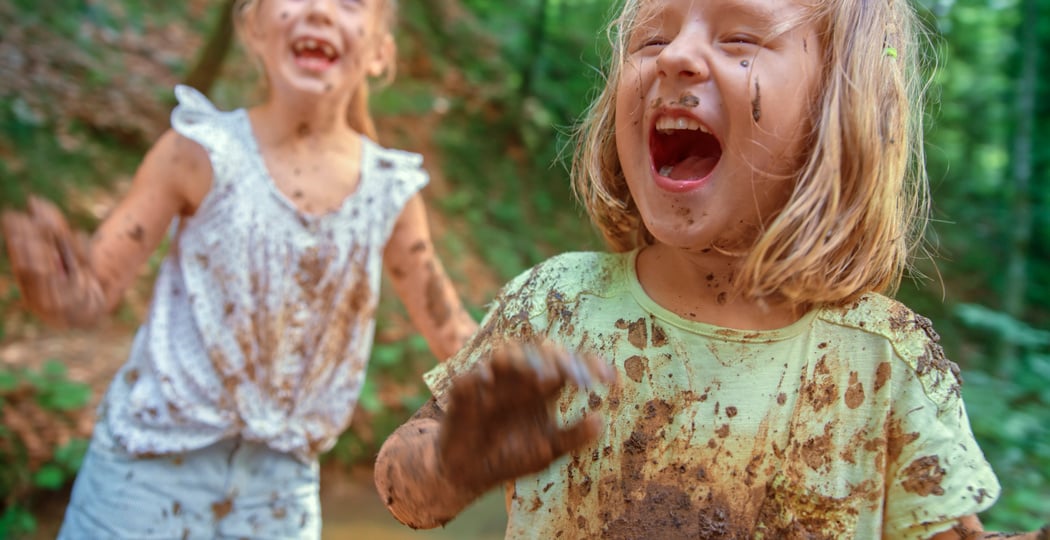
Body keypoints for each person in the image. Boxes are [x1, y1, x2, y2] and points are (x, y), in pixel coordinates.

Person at [372, 0, 1049, 538]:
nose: (678, 57)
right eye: (649, 39)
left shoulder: (887, 362)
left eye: (739, 39)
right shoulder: (556, 306)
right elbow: (405, 491)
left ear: (835, 108)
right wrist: (452, 467)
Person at [0, 0, 477, 538]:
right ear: (253, 26)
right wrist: (54, 289)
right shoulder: (198, 151)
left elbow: (455, 338)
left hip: (279, 498)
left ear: (379, 52)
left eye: (349, 2)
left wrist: (535, 381)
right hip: (141, 477)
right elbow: (92, 293)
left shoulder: (389, 192)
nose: (319, 10)